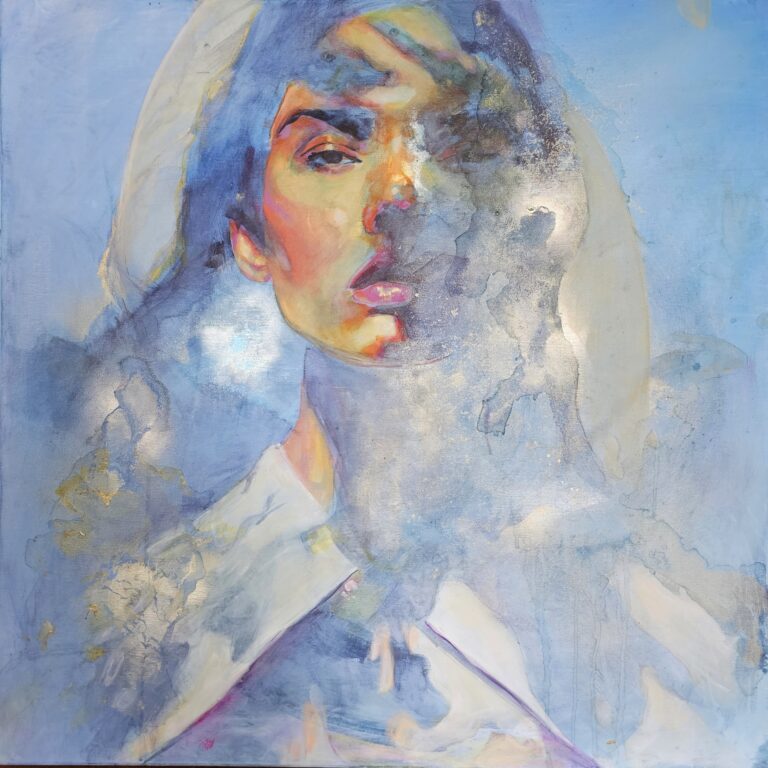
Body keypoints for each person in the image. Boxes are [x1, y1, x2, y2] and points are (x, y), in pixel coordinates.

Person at [1, 1, 765, 766]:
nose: (401, 196)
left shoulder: (658, 646)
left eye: (464, 148)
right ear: (247, 230)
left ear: (527, 214)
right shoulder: (133, 646)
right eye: (331, 151)